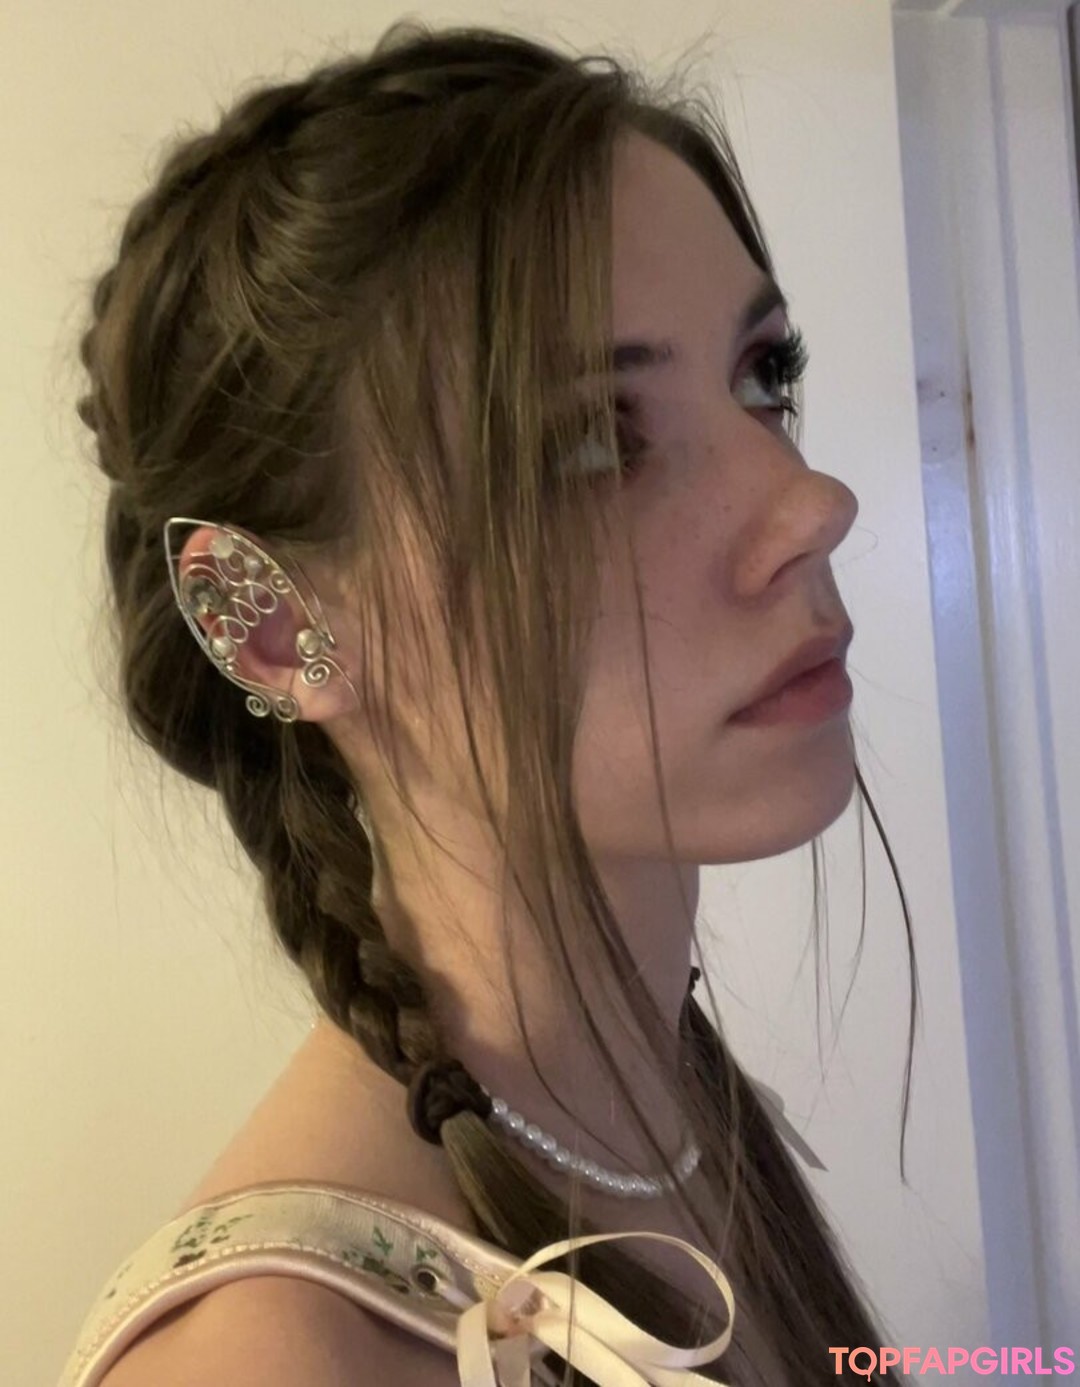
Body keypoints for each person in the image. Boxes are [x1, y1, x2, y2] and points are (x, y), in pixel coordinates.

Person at [63, 18, 915, 1386]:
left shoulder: (673, 1119)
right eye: (588, 444)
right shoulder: (272, 1363)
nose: (812, 504)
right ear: (271, 625)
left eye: (764, 376)